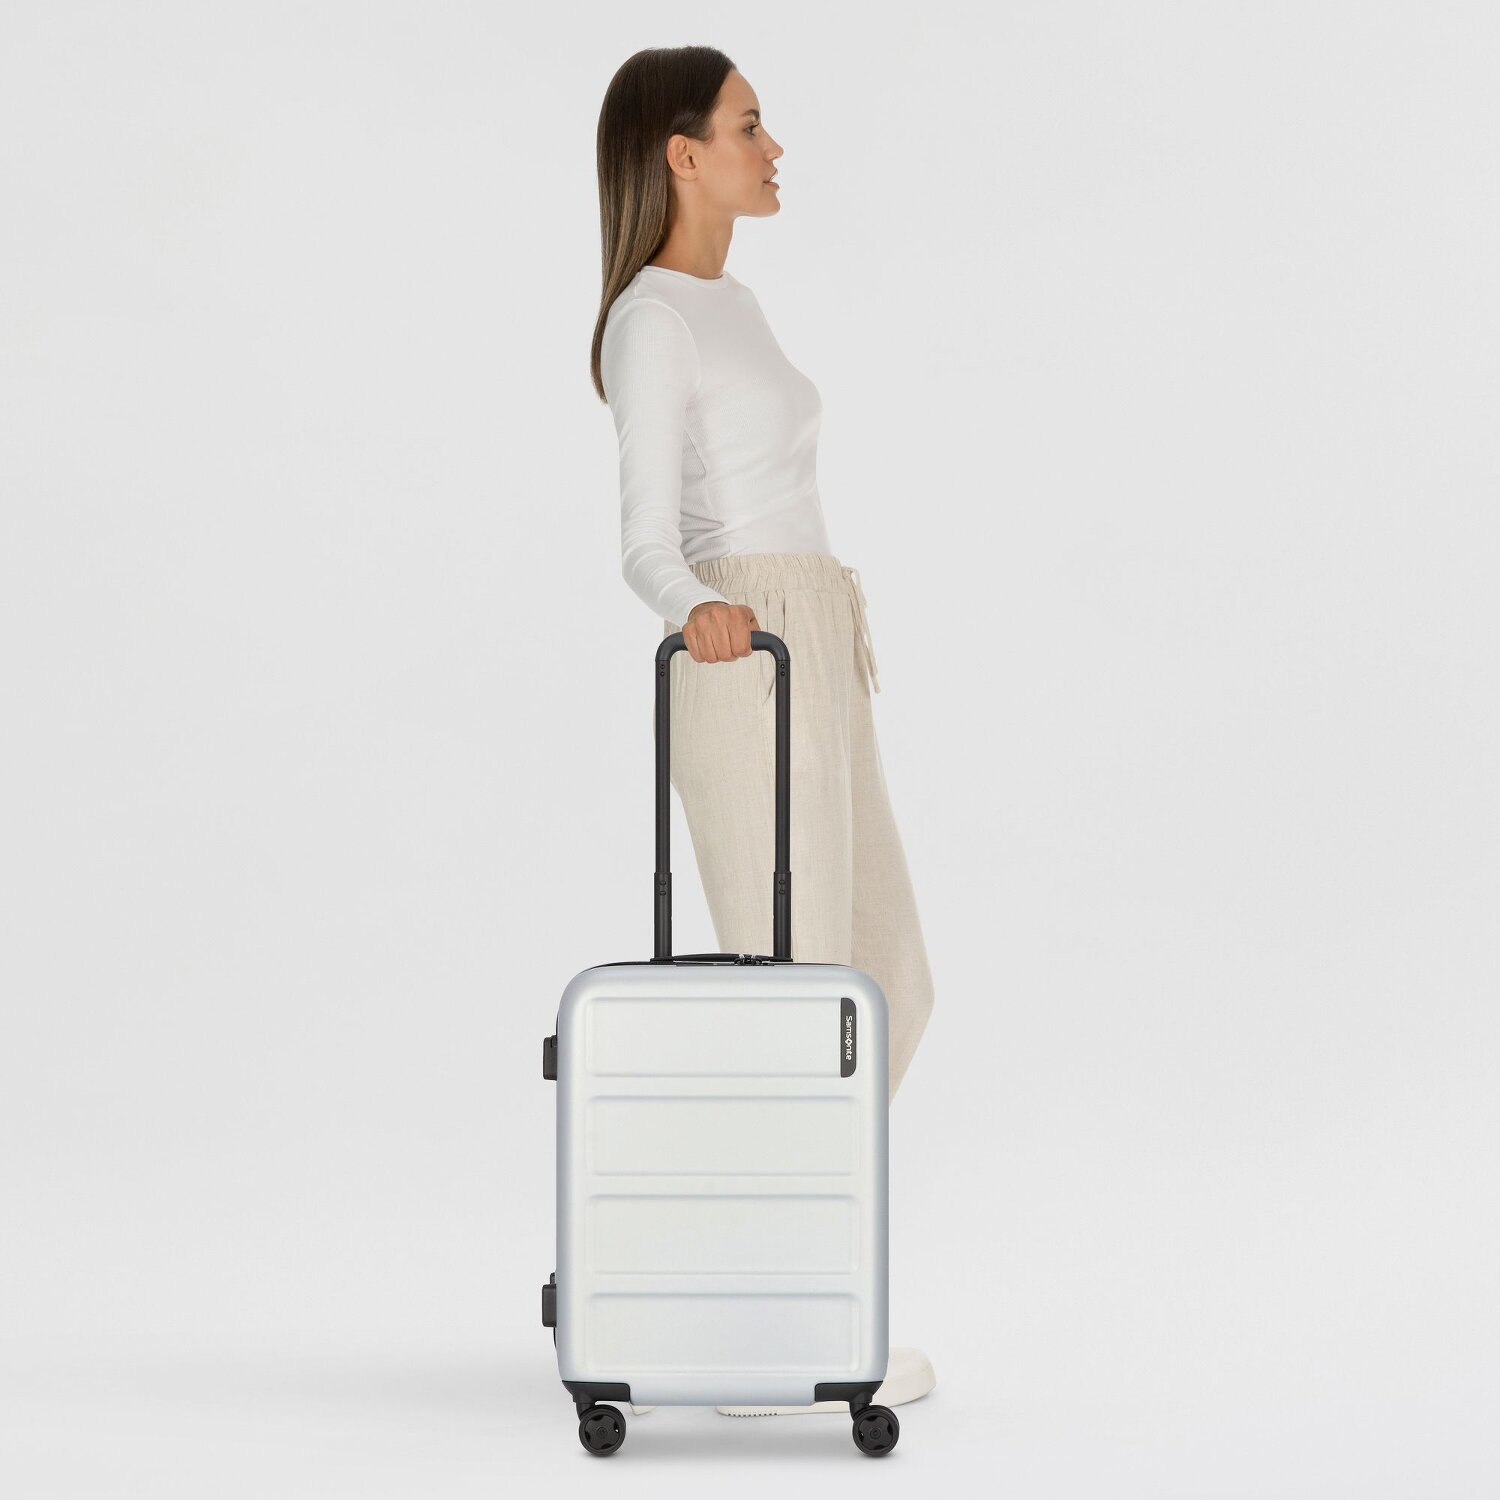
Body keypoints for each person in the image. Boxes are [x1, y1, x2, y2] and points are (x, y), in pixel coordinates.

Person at [591, 46, 937, 1418]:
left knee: (887, 982)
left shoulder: (736, 305)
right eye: (748, 125)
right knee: (801, 996)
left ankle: (750, 1278)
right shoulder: (651, 319)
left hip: (819, 644)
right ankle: (763, 1326)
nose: (773, 145)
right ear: (683, 154)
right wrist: (704, 610)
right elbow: (645, 539)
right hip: (745, 659)